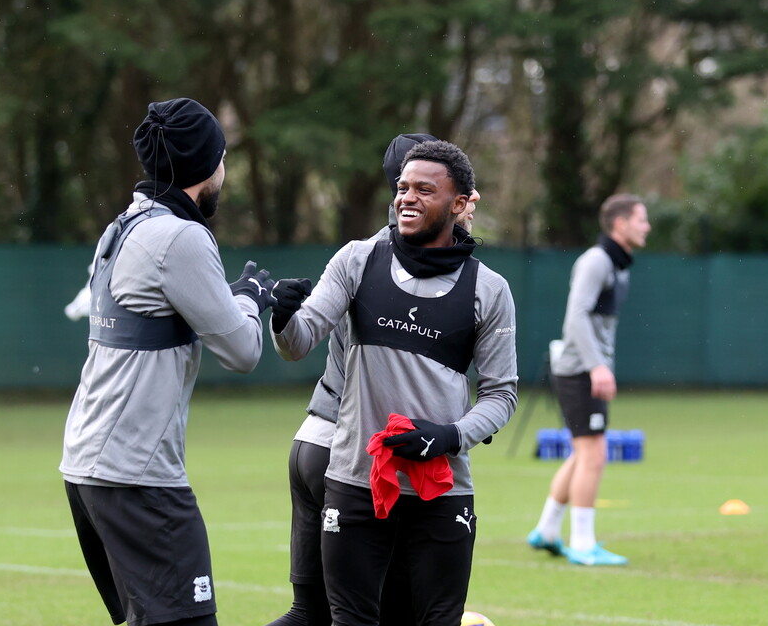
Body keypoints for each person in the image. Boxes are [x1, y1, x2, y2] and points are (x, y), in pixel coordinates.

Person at [271, 140, 518, 626]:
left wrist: (448, 436)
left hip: (440, 493)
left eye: (426, 190)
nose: (407, 197)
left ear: (462, 204)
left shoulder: (489, 289)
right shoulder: (357, 260)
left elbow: (501, 394)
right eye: (403, 188)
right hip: (354, 483)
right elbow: (298, 342)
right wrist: (282, 317)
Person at [60, 97, 275, 626]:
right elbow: (242, 351)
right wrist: (250, 296)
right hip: (137, 475)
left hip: (89, 467)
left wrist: (234, 297)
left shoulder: (124, 224)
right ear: (207, 166)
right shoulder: (182, 236)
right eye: (223, 157)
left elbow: (169, 310)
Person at [526, 193, 651, 567]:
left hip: (584, 368)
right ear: (620, 224)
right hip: (580, 370)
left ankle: (547, 530)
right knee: (594, 455)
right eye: (641, 219)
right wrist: (598, 366)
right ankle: (582, 543)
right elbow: (575, 318)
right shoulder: (596, 261)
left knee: (584, 453)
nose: (647, 227)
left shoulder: (617, 263)